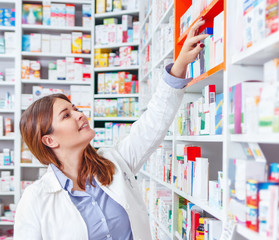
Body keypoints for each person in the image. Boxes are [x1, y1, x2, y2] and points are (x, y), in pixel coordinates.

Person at [14, 18, 208, 240]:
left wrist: (180, 65)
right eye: (67, 115)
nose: (80, 114)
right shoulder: (35, 200)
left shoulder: (114, 162)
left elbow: (153, 123)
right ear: (49, 140)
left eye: (75, 108)